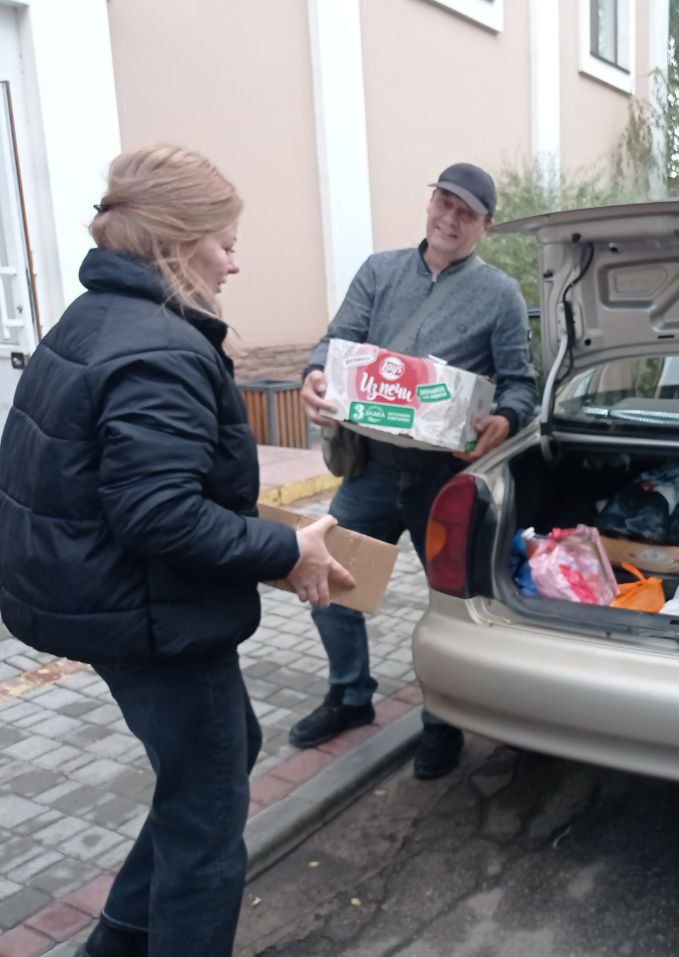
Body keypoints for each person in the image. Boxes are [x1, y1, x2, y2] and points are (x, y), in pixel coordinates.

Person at [0, 145, 353, 957]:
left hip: (94, 596)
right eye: (224, 241)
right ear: (173, 242)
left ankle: (116, 941)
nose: (236, 260)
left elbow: (128, 484)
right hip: (146, 615)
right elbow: (159, 514)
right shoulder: (158, 347)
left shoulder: (96, 316)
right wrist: (282, 550)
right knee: (205, 823)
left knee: (224, 757)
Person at [290, 162, 537, 780]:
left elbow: (520, 385)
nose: (450, 219)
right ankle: (349, 695)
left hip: (442, 482)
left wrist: (504, 419)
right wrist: (313, 376)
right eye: (443, 203)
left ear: (487, 225)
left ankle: (442, 720)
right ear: (431, 203)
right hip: (371, 469)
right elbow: (336, 343)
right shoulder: (379, 271)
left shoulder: (500, 295)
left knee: (449, 606)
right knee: (329, 578)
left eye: (467, 212)